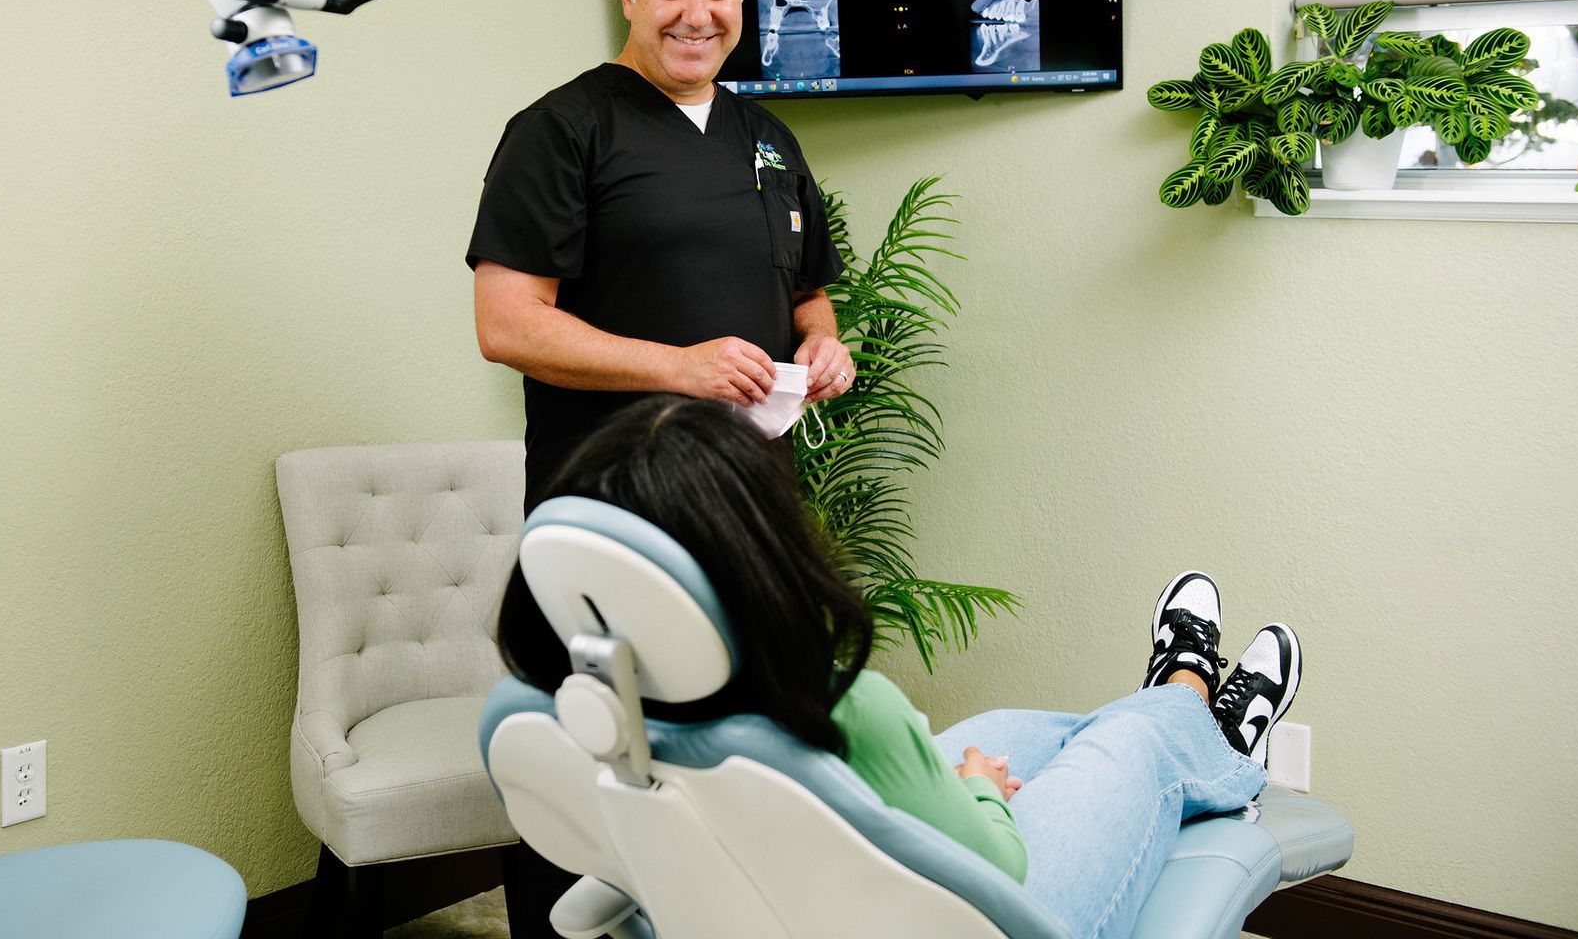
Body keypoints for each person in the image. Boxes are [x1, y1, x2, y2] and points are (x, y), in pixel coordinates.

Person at [497, 396, 1304, 939]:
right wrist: (983, 790)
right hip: (1011, 914)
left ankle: (1181, 714)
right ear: (760, 557)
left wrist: (980, 765)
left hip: (810, 897)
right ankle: (1200, 710)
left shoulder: (601, 724)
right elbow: (1001, 863)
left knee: (1019, 729)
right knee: (1125, 748)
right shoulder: (848, 710)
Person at [466, 0, 856, 515]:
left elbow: (806, 292)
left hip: (750, 504)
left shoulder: (769, 138)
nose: (697, 15)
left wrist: (823, 345)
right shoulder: (562, 132)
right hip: (613, 502)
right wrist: (680, 368)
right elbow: (506, 324)